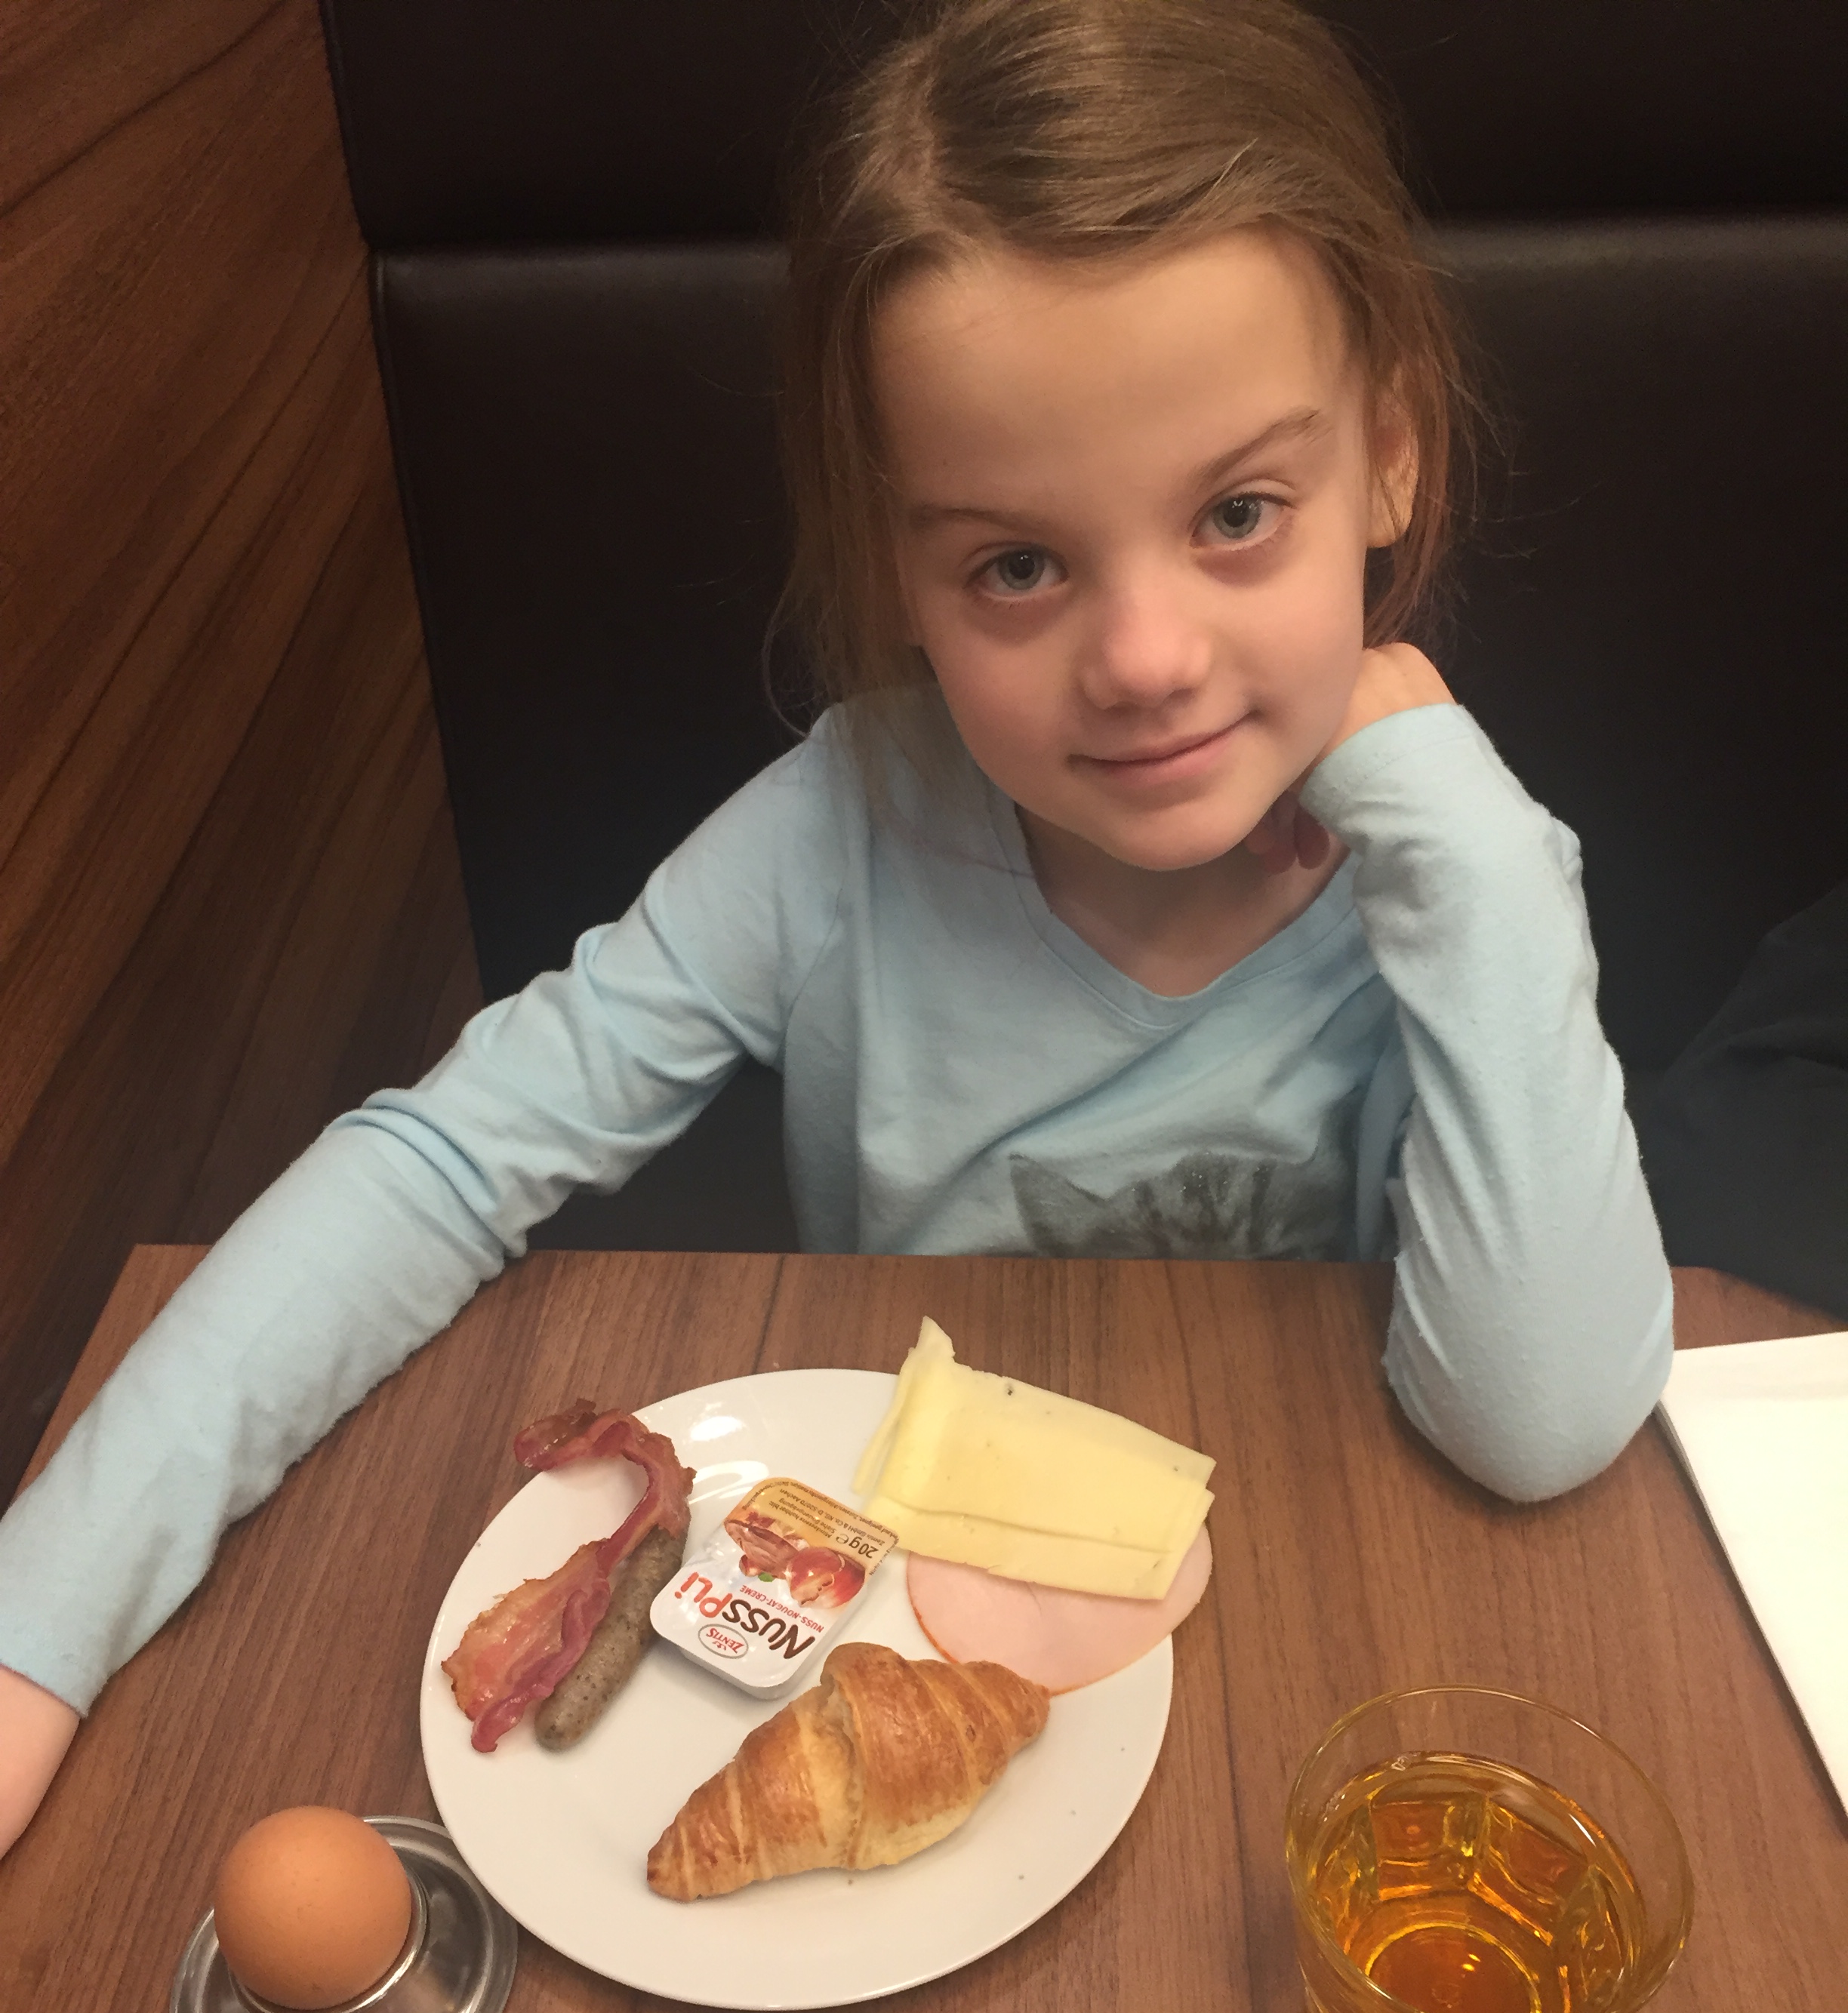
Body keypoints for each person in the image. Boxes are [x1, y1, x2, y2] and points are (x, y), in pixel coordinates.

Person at [0, 0, 1673, 1858]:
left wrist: (1473, 846)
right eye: (1017, 564)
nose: (1143, 658)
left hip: (1311, 1666)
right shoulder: (835, 834)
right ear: (899, 565)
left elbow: (1536, 1421)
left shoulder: (1445, 872)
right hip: (875, 1636)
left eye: (1238, 514)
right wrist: (33, 1629)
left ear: (1393, 457)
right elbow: (445, 1167)